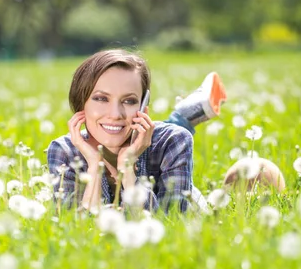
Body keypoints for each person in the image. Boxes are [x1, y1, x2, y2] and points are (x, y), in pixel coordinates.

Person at [47, 49, 227, 213]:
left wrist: (128, 170)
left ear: (143, 106)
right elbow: (78, 230)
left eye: (129, 101)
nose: (115, 114)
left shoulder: (174, 140)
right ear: (81, 104)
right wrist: (94, 166)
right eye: (101, 98)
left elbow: (172, 222)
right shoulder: (64, 151)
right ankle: (186, 114)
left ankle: (184, 116)